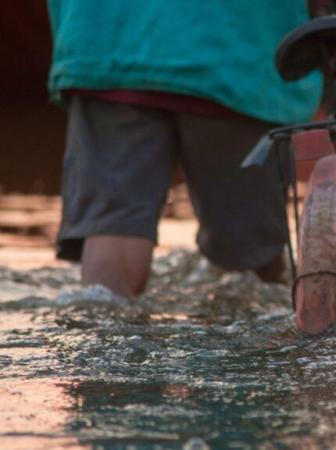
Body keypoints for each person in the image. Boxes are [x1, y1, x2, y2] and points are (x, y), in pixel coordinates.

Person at [47, 1, 322, 297]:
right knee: (249, 261)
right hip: (237, 51)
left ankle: (102, 329)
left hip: (106, 41)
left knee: (113, 228)